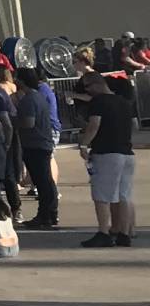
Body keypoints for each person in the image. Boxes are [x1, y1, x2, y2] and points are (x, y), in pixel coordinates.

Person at [76, 68, 136, 247]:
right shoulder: (125, 102)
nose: (87, 91)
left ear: (96, 84)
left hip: (106, 153)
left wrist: (84, 144)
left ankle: (104, 231)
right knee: (123, 195)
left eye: (87, 87)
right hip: (126, 153)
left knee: (102, 195)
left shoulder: (99, 101)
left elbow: (94, 124)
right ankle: (123, 233)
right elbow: (134, 125)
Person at [13, 68, 62, 229]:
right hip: (42, 143)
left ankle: (45, 215)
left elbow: (29, 122)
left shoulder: (29, 99)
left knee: (42, 182)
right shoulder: (38, 96)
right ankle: (51, 213)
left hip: (35, 144)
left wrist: (14, 123)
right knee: (46, 181)